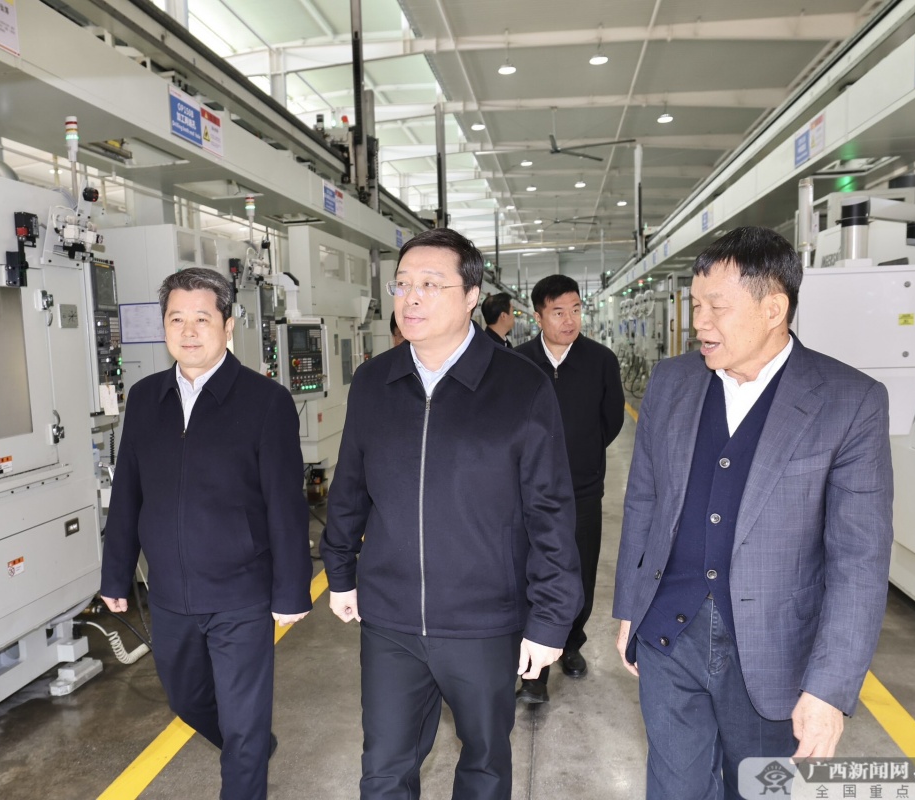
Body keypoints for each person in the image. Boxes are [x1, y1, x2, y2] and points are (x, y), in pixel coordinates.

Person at [613, 227, 893, 798]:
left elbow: (859, 562)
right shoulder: (671, 382)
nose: (700, 323)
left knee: (765, 789)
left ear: (773, 309)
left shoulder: (849, 401)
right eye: (696, 305)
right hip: (669, 636)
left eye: (717, 306)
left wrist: (829, 689)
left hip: (774, 656)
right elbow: (644, 500)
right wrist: (629, 607)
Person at [321, 227, 582, 800]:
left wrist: (550, 618)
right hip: (390, 619)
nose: (411, 297)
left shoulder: (521, 387)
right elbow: (350, 486)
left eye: (430, 284)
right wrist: (339, 570)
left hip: (483, 621)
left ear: (470, 297)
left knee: (484, 764)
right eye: (403, 284)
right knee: (383, 768)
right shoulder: (374, 381)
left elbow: (550, 512)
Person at [100, 267, 313, 800]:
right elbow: (127, 491)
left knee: (243, 722)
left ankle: (247, 754)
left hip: (241, 593)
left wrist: (292, 590)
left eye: (202, 318)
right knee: (188, 700)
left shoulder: (265, 402)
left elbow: (285, 504)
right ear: (164, 327)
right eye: (177, 319)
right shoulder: (145, 398)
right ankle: (252, 748)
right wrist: (116, 574)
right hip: (170, 594)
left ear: (228, 325)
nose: (189, 331)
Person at [514, 275, 624, 704]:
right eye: (558, 312)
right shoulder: (519, 363)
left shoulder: (600, 361)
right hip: (528, 492)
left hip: (582, 490)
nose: (569, 320)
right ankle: (533, 670)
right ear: (538, 316)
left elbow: (611, 420)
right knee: (532, 571)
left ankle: (572, 643)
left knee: (580, 570)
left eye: (575, 310)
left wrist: (583, 455)